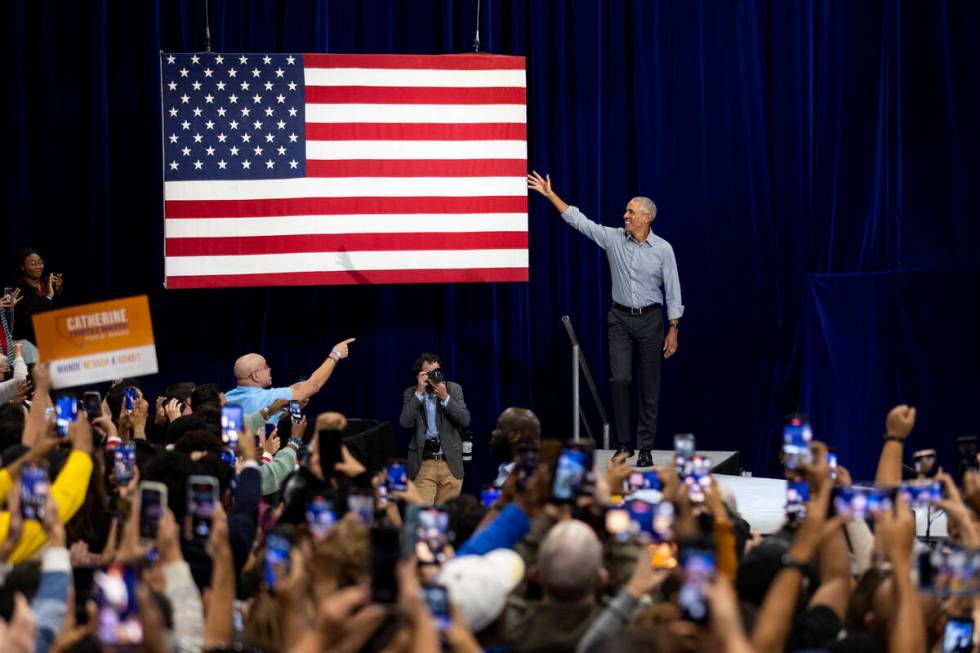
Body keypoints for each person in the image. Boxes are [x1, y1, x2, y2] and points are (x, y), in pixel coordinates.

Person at [528, 172, 684, 467]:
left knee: (650, 386)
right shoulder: (613, 238)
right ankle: (624, 444)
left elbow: (673, 289)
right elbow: (579, 221)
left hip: (651, 320)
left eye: (631, 212)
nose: (625, 215)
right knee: (620, 379)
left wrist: (674, 326)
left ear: (647, 217)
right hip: (620, 320)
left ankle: (645, 446)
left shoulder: (663, 249)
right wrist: (550, 195)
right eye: (626, 211)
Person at [223, 337, 355, 423]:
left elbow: (259, 421)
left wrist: (288, 410)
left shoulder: (226, 397)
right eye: (266, 366)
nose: (270, 369)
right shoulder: (266, 397)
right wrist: (335, 354)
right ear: (256, 375)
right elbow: (313, 385)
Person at [399, 352, 470, 504]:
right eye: (428, 373)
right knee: (423, 517)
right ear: (420, 375)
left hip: (450, 462)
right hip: (424, 464)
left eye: (436, 372)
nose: (433, 377)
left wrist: (445, 398)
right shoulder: (411, 393)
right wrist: (419, 393)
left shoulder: (453, 389)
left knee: (448, 517)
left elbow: (465, 420)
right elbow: (405, 422)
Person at [11, 249, 63, 364]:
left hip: (50, 339)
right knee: (36, 379)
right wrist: (49, 297)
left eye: (40, 262)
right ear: (22, 267)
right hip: (28, 341)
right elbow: (33, 319)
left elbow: (60, 311)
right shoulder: (19, 290)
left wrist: (59, 291)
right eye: (33, 263)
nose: (38, 266)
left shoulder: (48, 282)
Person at [490, 407, 541, 488]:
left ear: (515, 436)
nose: (493, 433)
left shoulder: (531, 480)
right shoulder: (506, 469)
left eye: (499, 427)